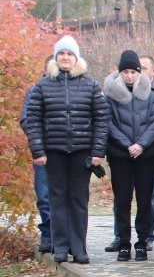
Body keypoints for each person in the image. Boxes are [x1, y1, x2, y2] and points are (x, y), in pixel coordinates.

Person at [23, 36, 109, 264]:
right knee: (57, 198)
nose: (65, 57)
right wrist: (38, 151)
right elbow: (33, 120)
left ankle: (79, 248)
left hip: (82, 152)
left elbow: (101, 119)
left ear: (76, 58)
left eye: (69, 54)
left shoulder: (90, 85)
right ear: (55, 57)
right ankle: (60, 247)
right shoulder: (43, 85)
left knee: (79, 199)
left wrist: (98, 151)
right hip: (54, 152)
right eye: (61, 54)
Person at [103, 50, 154, 261]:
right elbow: (108, 123)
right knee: (122, 201)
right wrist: (127, 144)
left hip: (145, 155)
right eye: (125, 72)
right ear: (120, 72)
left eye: (133, 72)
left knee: (145, 200)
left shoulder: (151, 94)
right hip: (120, 155)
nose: (129, 76)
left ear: (139, 73)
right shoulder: (110, 96)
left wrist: (141, 145)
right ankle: (123, 242)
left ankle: (141, 241)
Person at [19, 56, 53, 253]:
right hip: (43, 151)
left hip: (64, 151)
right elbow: (26, 121)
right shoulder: (33, 92)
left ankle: (64, 235)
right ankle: (47, 233)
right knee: (44, 195)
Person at [138, 54, 154, 250]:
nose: (140, 72)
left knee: (151, 199)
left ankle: (147, 236)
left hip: (151, 154)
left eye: (144, 68)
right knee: (121, 201)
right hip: (125, 155)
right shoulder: (124, 91)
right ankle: (119, 236)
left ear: (153, 70)